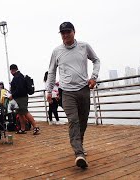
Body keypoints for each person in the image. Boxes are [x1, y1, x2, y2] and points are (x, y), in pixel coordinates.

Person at [46, 22, 100, 169]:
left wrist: (94, 77)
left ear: (74, 32)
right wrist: (49, 91)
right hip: (67, 92)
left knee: (83, 121)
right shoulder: (57, 51)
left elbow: (96, 60)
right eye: (62, 33)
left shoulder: (84, 46)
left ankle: (79, 144)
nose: (65, 35)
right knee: (74, 121)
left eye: (67, 32)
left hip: (83, 89)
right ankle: (79, 153)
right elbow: (51, 72)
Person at [8, 64, 40, 135]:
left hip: (21, 98)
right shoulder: (19, 76)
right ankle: (22, 129)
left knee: (25, 112)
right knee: (20, 113)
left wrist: (12, 95)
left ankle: (35, 127)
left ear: (12, 70)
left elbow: (19, 89)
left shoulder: (17, 77)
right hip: (19, 97)